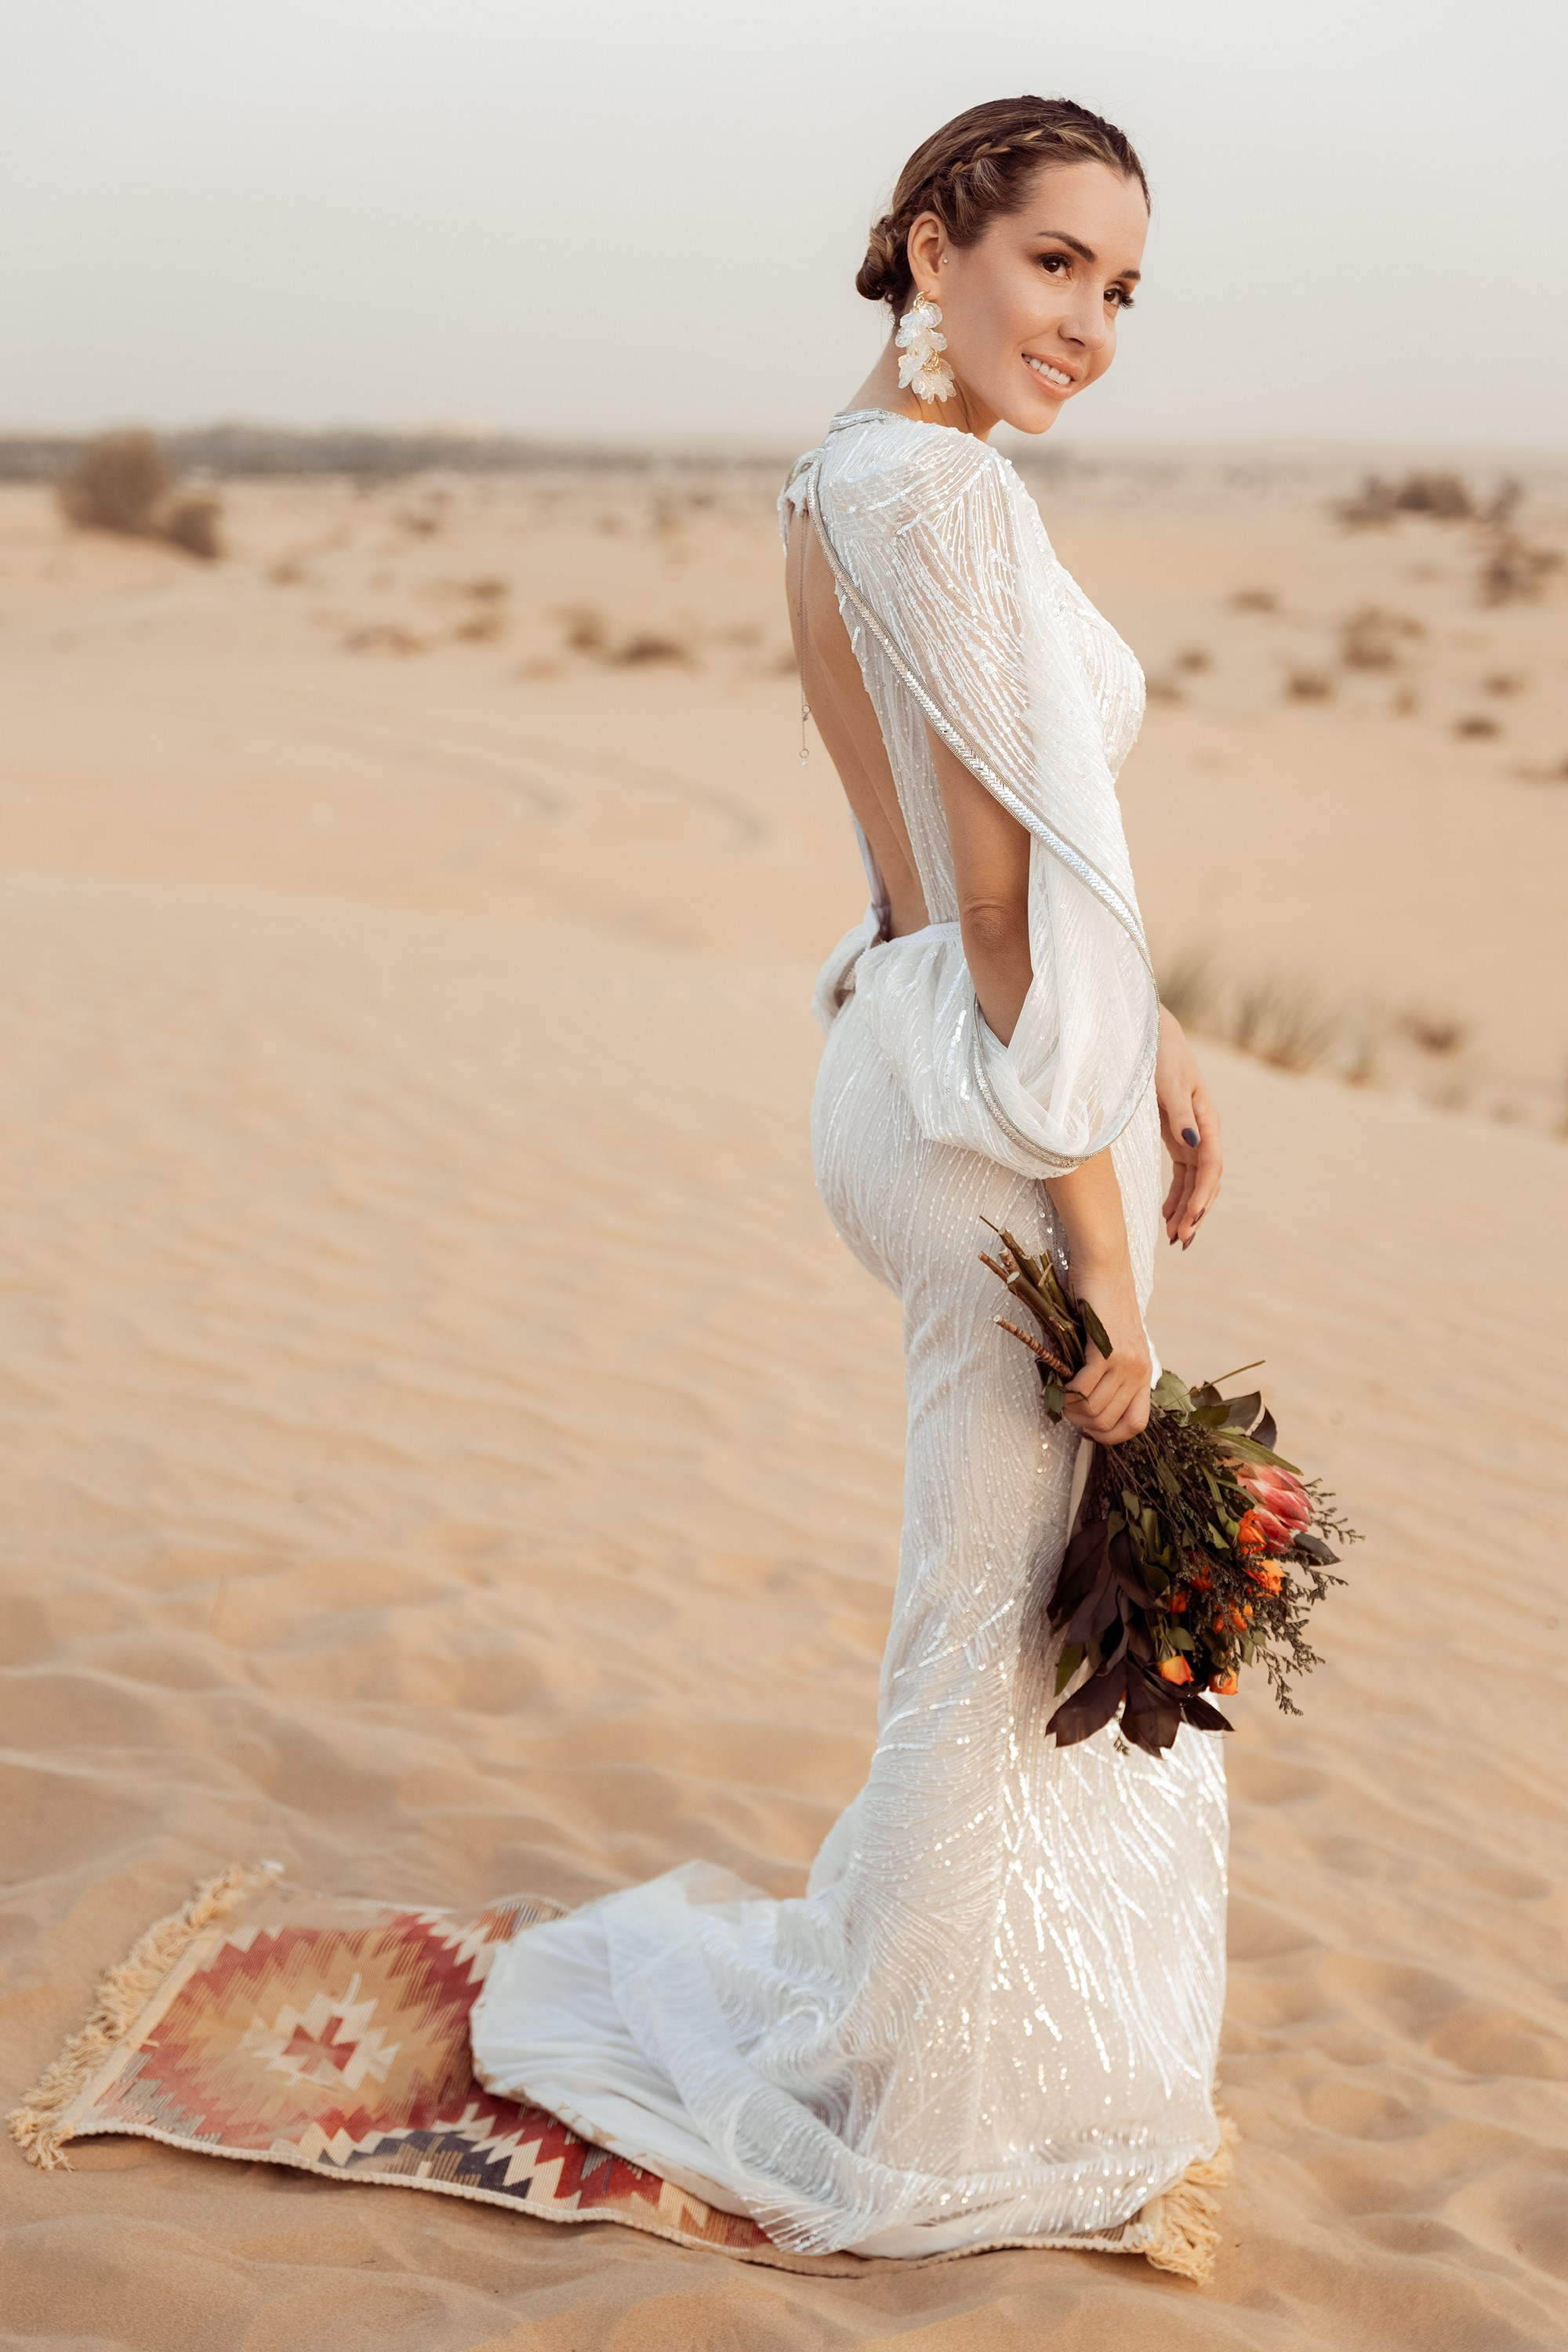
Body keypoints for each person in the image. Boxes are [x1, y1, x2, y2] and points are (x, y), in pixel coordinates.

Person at [472, 95, 1231, 2275]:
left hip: (911, 1062)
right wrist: (1102, 1268)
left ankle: (933, 2043)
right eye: (1055, 263)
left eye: (1122, 288)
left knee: (987, 1621)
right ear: (928, 239)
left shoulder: (855, 469)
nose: (1088, 321)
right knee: (995, 1641)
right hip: (989, 1114)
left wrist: (1151, 1025)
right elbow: (1006, 920)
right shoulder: (944, 504)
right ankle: (918, 2105)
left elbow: (942, 840)